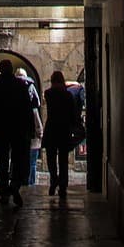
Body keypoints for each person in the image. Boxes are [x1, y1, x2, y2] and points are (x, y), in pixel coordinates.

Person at [0, 59, 34, 207]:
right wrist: (29, 130)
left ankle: (4, 190)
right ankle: (15, 185)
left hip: (1, 130)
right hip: (18, 130)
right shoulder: (20, 86)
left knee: (3, 161)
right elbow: (27, 109)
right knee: (17, 160)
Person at [41, 69, 83, 201]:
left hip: (51, 129)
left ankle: (54, 180)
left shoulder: (48, 94)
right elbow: (72, 112)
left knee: (51, 158)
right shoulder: (68, 95)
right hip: (64, 129)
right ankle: (63, 187)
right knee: (63, 160)